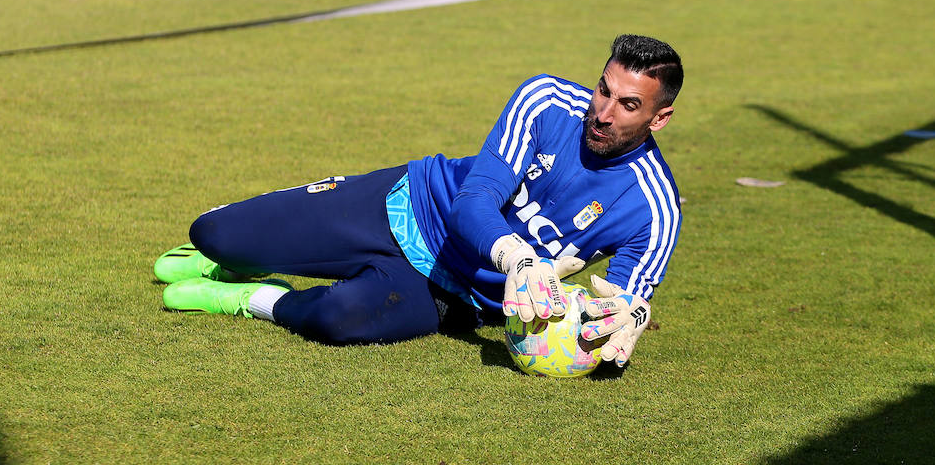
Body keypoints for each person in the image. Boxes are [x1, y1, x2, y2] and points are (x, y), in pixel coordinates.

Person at [154, 33, 684, 368]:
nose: (604, 112)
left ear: (658, 118)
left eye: (628, 104)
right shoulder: (546, 101)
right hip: (406, 205)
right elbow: (474, 201)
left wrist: (624, 317)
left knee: (339, 319)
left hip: (455, 294)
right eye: (603, 90)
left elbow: (620, 302)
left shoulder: (655, 209)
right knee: (214, 234)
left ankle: (249, 298)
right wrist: (520, 260)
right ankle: (228, 259)